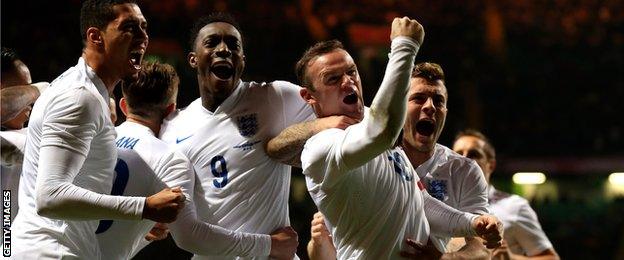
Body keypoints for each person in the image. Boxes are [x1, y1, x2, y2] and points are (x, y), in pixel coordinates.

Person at [293, 17, 502, 259]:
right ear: (310, 97)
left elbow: (421, 202)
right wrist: (404, 46)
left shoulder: (381, 137)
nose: (348, 81)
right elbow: (382, 129)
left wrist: (473, 223)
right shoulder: (322, 146)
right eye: (332, 78)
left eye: (351, 72)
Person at [160, 12, 354, 259]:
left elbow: (350, 116)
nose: (224, 49)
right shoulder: (174, 126)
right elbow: (173, 219)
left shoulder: (275, 98)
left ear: (242, 59)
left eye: (233, 45)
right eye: (212, 43)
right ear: (193, 59)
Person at [11, 1, 184, 259]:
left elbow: (77, 182)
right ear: (96, 36)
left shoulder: (87, 91)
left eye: (144, 27)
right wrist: (144, 207)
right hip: (50, 251)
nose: (143, 36)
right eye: (129, 27)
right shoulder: (81, 97)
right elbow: (50, 196)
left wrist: (138, 226)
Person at [96, 61, 298, 259]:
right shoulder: (167, 158)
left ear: (124, 106)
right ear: (170, 110)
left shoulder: (97, 143)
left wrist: (141, 232)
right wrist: (269, 245)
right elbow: (189, 236)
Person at [453, 129, 560, 260]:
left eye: (474, 154)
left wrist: (512, 258)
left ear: (491, 165)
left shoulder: (515, 206)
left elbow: (551, 258)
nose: (465, 158)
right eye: (458, 154)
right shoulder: (440, 205)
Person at [0, 47, 48, 222]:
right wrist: (37, 89)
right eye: (23, 89)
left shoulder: (36, 132)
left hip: (16, 244)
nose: (31, 102)